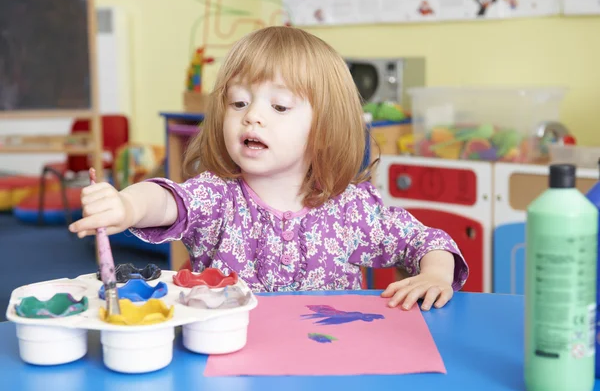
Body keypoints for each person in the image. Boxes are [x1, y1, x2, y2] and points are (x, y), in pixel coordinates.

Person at [69, 26, 469, 311]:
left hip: (324, 365)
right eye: (239, 102)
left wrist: (434, 274)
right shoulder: (217, 196)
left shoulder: (352, 210)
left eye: (279, 106)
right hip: (232, 362)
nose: (253, 117)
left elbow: (427, 239)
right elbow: (165, 199)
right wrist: (126, 206)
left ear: (325, 129)